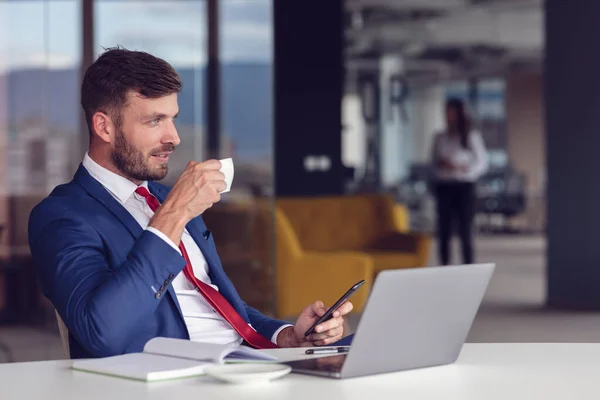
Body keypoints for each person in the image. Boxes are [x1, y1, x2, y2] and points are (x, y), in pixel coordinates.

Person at [28, 47, 352, 359]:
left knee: (373, 359)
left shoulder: (167, 196)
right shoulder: (63, 216)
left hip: (247, 362)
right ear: (104, 127)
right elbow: (102, 332)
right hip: (185, 376)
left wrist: (286, 335)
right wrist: (175, 214)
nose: (174, 137)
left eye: (173, 118)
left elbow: (217, 305)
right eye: (155, 121)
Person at [430, 98, 488, 266]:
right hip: (444, 187)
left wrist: (463, 169)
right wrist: (443, 166)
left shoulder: (470, 136)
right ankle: (444, 265)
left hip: (464, 186)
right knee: (444, 230)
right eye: (446, 112)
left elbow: (482, 163)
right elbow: (432, 163)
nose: (448, 116)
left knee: (465, 229)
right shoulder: (439, 137)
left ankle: (468, 265)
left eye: (451, 112)